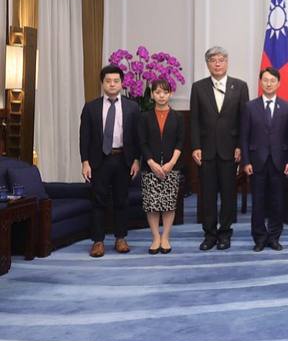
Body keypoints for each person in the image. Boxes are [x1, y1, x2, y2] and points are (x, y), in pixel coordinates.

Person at [190, 46, 249, 251]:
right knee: (207, 194)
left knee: (228, 193)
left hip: (230, 149)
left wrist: (241, 146)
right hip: (205, 150)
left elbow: (244, 120)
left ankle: (225, 232)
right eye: (213, 60)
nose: (217, 63)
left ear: (227, 62)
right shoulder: (198, 87)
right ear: (207, 64)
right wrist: (195, 145)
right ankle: (209, 233)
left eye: (221, 59)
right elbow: (195, 120)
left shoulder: (240, 87)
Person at [79, 65, 140, 258]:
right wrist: (85, 162)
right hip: (100, 161)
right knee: (98, 201)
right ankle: (98, 241)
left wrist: (136, 160)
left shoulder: (132, 107)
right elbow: (84, 137)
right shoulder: (91, 107)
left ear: (122, 83)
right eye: (108, 81)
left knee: (122, 200)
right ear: (102, 83)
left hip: (123, 159)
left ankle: (121, 238)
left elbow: (138, 137)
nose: (112, 84)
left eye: (116, 81)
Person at [240, 67, 288, 252]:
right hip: (256, 162)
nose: (269, 84)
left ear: (278, 83)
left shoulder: (286, 107)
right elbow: (244, 137)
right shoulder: (250, 106)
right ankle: (260, 238)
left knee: (278, 202)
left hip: (279, 162)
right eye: (265, 80)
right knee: (259, 202)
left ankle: (274, 237)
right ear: (260, 83)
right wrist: (245, 161)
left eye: (272, 80)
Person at [137, 79, 183, 255]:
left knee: (169, 204)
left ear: (170, 94)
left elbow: (180, 141)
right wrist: (151, 162)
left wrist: (171, 163)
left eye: (164, 92)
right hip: (151, 166)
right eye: (157, 92)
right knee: (152, 204)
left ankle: (166, 237)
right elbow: (142, 142)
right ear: (152, 95)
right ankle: (156, 237)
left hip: (172, 166)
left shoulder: (178, 117)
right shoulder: (144, 117)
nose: (161, 96)